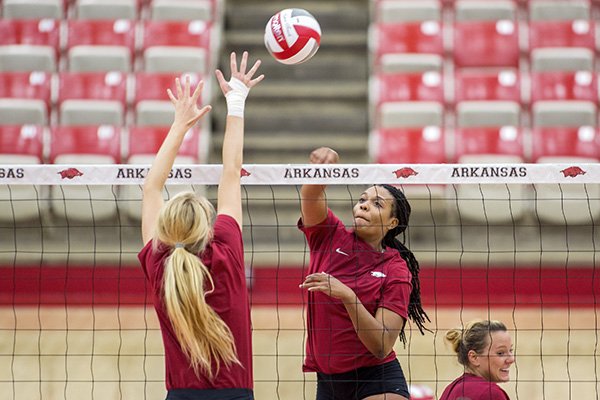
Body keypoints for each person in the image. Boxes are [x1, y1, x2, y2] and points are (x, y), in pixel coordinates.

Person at [138, 51, 263, 400]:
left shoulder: (159, 262)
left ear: (166, 228)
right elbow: (230, 173)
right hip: (235, 394)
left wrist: (180, 125)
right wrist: (235, 101)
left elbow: (151, 187)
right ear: (208, 228)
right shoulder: (226, 251)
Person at [298, 147, 430, 400]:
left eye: (377, 204)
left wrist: (347, 296)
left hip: (376, 378)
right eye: (362, 200)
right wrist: (321, 169)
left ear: (393, 223)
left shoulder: (396, 269)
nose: (364, 206)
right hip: (328, 380)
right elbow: (310, 195)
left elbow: (381, 346)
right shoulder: (328, 234)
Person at [440, 319, 515, 400]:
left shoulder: (450, 390)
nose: (511, 359)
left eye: (510, 350)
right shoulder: (490, 393)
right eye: (500, 353)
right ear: (474, 358)